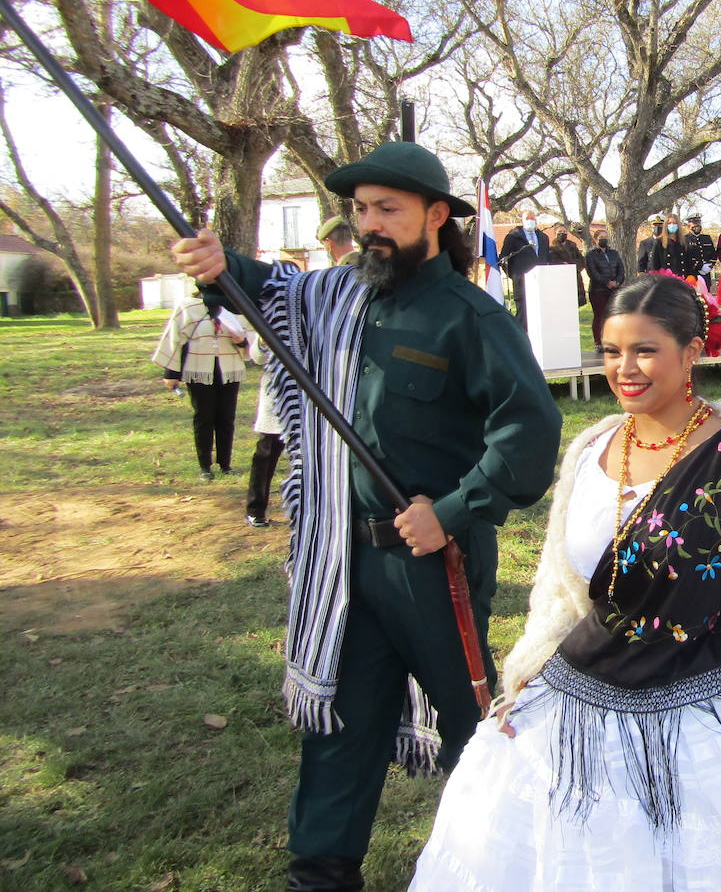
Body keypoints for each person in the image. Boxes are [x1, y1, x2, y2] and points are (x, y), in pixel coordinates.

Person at [409, 274, 721, 892]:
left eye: (645, 350)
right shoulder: (591, 447)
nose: (625, 369)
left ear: (692, 351)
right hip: (572, 700)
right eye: (613, 351)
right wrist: (527, 674)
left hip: (698, 710)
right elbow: (561, 593)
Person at [168, 141, 563, 892]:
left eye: (389, 209)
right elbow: (267, 290)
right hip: (343, 566)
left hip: (433, 567)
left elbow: (530, 433)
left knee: (470, 732)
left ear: (435, 216)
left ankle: (490, 865)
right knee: (340, 728)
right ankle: (319, 871)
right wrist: (221, 267)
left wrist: (453, 510)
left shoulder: (471, 317)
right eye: (361, 210)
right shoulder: (335, 298)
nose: (370, 225)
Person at [152, 287, 249, 481]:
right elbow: (175, 339)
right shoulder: (188, 306)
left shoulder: (236, 306)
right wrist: (172, 373)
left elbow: (250, 343)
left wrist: (241, 341)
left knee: (226, 419)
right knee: (204, 418)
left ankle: (225, 464)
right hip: (199, 369)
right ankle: (205, 466)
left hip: (229, 369)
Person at [244, 331, 284, 527]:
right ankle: (255, 509)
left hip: (311, 396)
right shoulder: (274, 314)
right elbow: (257, 357)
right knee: (266, 454)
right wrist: (262, 341)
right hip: (277, 395)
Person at [499, 208, 551, 329]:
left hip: (541, 282)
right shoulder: (513, 237)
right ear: (521, 220)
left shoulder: (543, 237)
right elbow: (504, 259)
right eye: (527, 218)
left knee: (541, 317)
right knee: (524, 317)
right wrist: (515, 274)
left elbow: (547, 258)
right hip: (522, 283)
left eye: (533, 218)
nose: (530, 221)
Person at [585, 230, 626, 349]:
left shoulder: (614, 253)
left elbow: (621, 269)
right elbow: (593, 273)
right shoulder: (591, 255)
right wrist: (606, 282)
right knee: (599, 315)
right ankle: (598, 342)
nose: (604, 239)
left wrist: (617, 282)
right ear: (595, 239)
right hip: (598, 290)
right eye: (601, 237)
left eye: (605, 237)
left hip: (614, 290)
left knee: (613, 316)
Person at [547, 224, 587, 307]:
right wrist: (566, 265)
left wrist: (571, 264)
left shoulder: (573, 245)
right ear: (555, 233)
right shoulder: (552, 248)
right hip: (561, 280)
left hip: (575, 278)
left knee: (576, 305)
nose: (562, 233)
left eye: (564, 231)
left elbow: (581, 261)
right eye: (560, 232)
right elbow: (553, 263)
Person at [683, 212, 718, 290]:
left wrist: (710, 266)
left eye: (699, 222)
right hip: (692, 275)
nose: (697, 225)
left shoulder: (706, 238)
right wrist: (700, 266)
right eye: (695, 223)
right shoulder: (684, 239)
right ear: (689, 225)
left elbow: (713, 254)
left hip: (706, 275)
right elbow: (685, 257)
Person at [648, 212, 690, 278]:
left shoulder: (684, 242)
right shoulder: (659, 242)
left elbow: (688, 262)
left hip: (682, 280)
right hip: (666, 281)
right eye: (669, 223)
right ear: (665, 225)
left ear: (678, 225)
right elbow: (654, 265)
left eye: (674, 223)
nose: (672, 225)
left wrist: (691, 277)